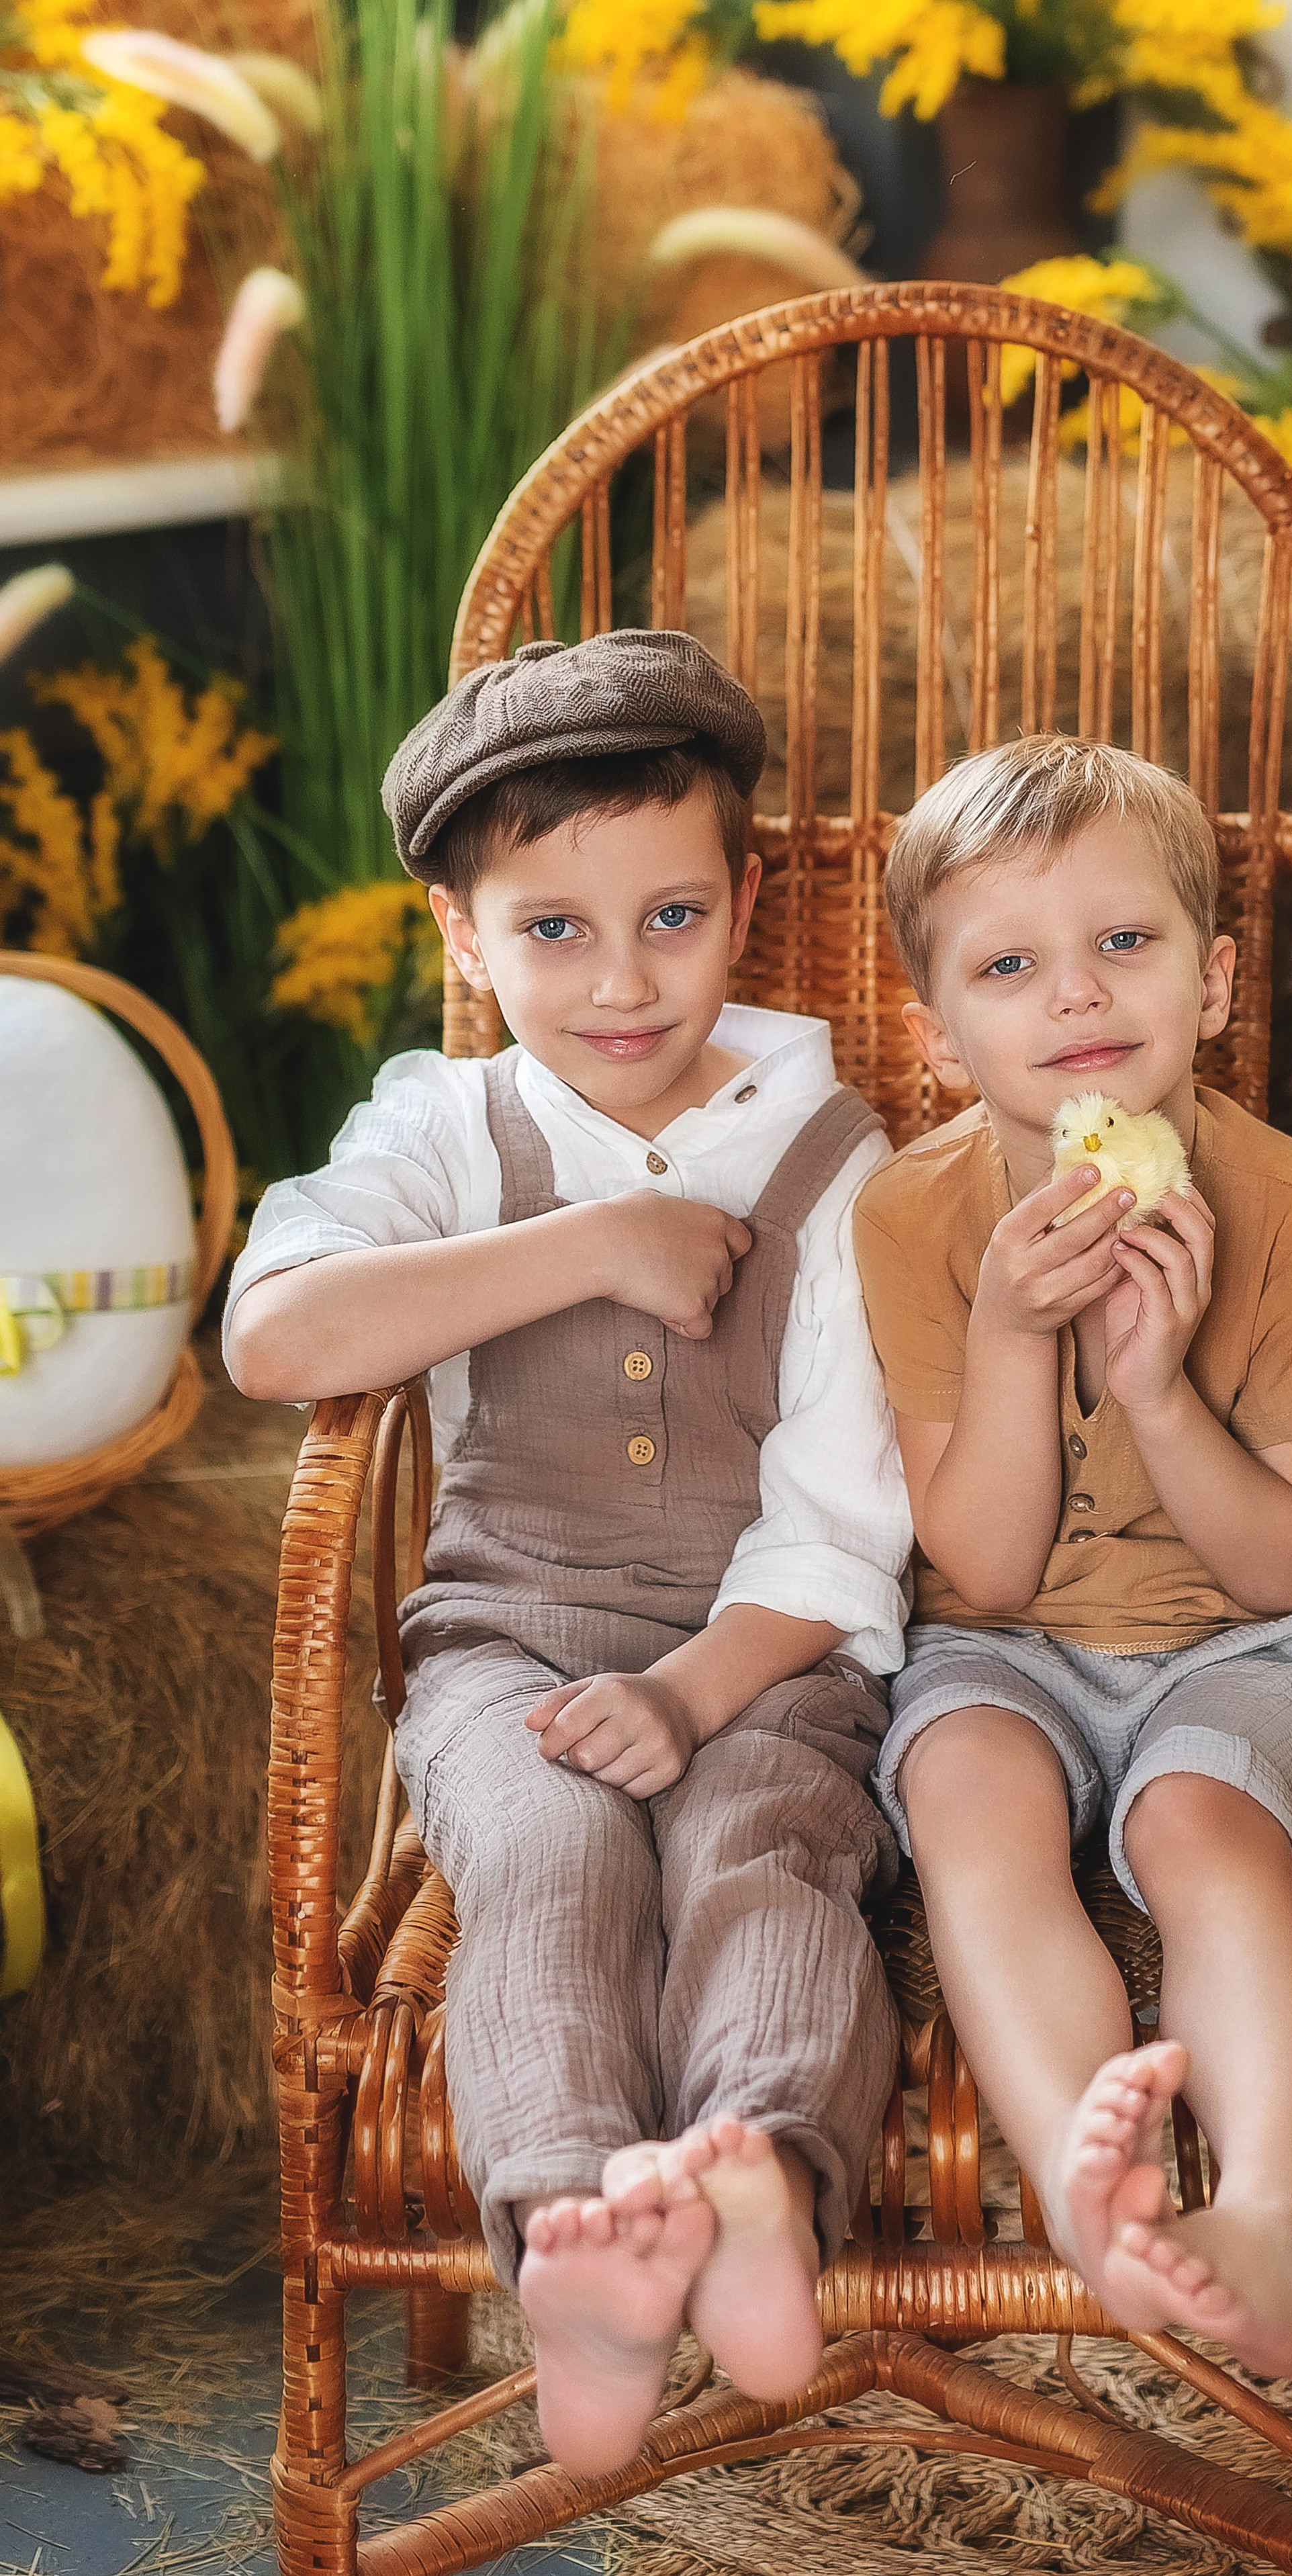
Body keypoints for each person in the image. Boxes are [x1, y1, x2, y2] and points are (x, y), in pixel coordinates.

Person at [226, 631, 911, 2474]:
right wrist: (600, 1242)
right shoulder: (444, 1130)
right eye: (551, 930)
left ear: (748, 899)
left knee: (759, 1847)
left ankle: (763, 2181)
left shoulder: (837, 1158)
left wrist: (694, 1691)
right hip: (510, 1648)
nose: (621, 981)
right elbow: (274, 1336)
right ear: (460, 931)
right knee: (547, 1847)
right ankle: (579, 2241)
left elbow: (850, 1508)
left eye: (673, 914)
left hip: (763, 1650)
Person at [852, 735, 1292, 2381]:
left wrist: (1157, 1390)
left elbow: (1286, 1567)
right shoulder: (910, 1219)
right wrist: (1019, 1338)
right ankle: (1106, 2201)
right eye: (1009, 966)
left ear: (1216, 981)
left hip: (1236, 1644)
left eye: (1126, 943)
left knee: (1199, 1819)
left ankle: (1279, 2217)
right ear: (939, 1038)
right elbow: (988, 1572)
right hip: (1004, 1642)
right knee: (966, 1801)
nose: (1075, 995)